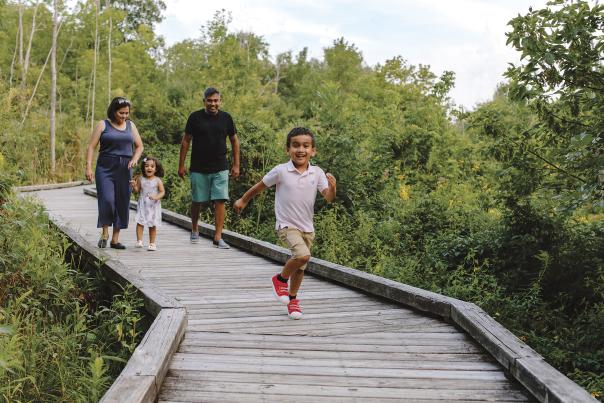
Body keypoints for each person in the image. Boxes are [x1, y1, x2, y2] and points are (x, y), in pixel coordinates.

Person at [234, 127, 336, 319]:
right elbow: (259, 187)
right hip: (286, 225)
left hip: (307, 227)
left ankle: (293, 300)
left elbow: (329, 197)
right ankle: (280, 279)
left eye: (306, 146)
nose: (300, 150)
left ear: (313, 151)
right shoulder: (281, 171)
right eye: (295, 145)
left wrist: (333, 188)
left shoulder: (317, 172)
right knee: (303, 255)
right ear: (287, 149)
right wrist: (243, 200)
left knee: (301, 266)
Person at [178, 87, 240, 249]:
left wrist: (236, 164)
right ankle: (194, 228)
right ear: (204, 101)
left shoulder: (226, 118)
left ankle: (218, 237)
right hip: (198, 166)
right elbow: (186, 141)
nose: (213, 104)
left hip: (220, 166)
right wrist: (181, 165)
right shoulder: (195, 118)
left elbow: (234, 140)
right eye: (210, 100)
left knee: (220, 200)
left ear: (220, 101)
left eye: (216, 101)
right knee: (197, 200)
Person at [86, 97, 144, 249]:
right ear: (113, 111)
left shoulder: (131, 126)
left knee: (122, 202)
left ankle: (115, 239)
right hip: (105, 167)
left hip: (125, 168)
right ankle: (105, 233)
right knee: (107, 200)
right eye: (121, 113)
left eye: (127, 113)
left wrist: (135, 159)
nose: (124, 116)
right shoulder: (102, 124)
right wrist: (88, 167)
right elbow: (91, 147)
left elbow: (139, 147)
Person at [130, 156, 165, 251]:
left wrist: (156, 197)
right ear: (143, 167)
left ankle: (152, 243)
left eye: (152, 166)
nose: (149, 168)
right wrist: (134, 186)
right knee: (140, 222)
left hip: (153, 205)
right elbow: (138, 190)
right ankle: (139, 240)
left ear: (156, 169)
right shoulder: (141, 179)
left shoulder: (157, 180)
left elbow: (162, 192)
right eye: (147, 166)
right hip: (143, 204)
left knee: (152, 224)